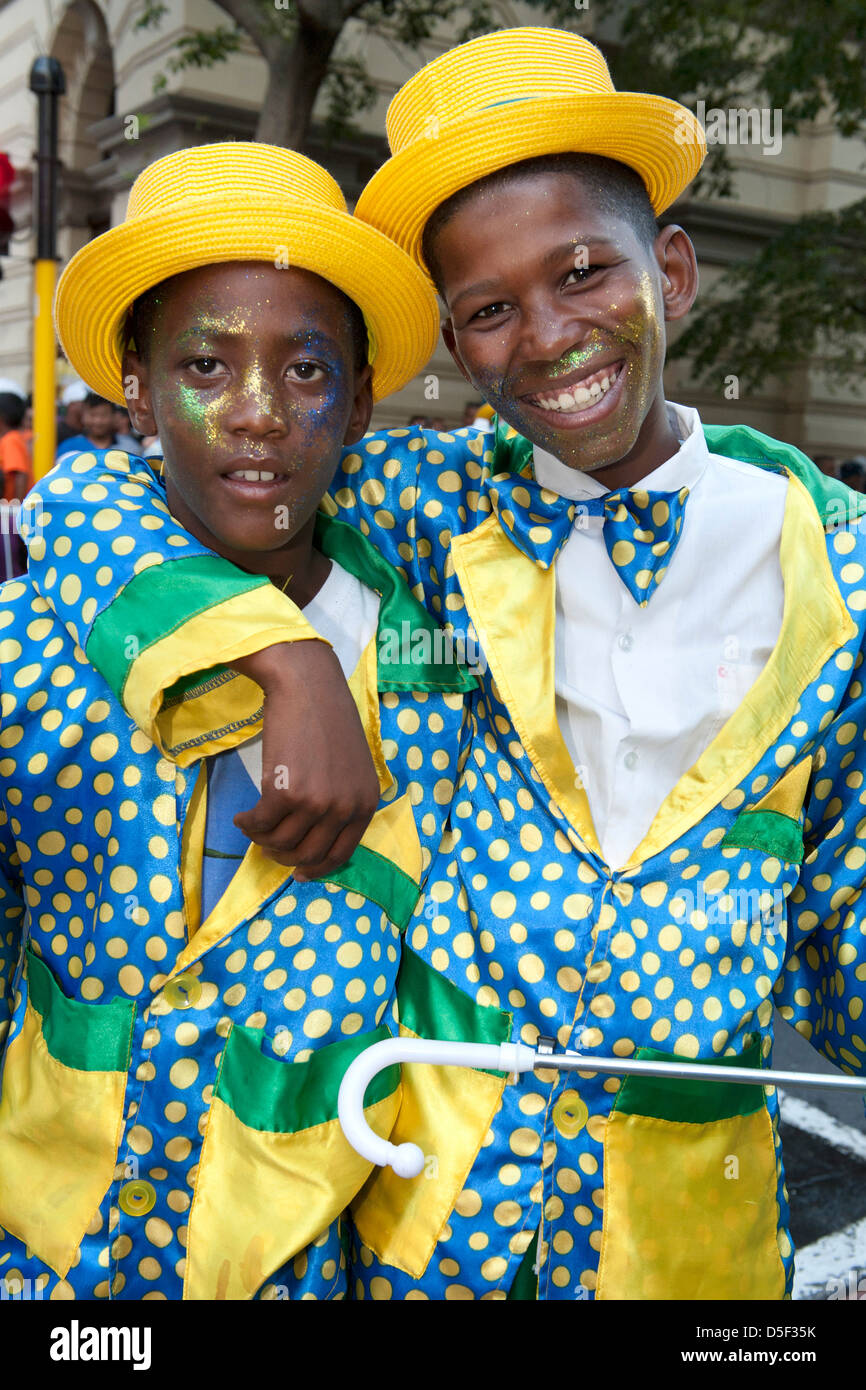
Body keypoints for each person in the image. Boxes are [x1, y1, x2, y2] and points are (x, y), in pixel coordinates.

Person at [24, 29, 866, 1301]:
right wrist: (284, 659)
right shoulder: (426, 503)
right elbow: (115, 488)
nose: (546, 337)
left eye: (584, 271)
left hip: (688, 1249)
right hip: (426, 1225)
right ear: (454, 347)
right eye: (485, 310)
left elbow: (837, 903)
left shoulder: (837, 563)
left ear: (672, 271)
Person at [0, 140, 480, 1301]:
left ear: (363, 397)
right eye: (205, 366)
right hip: (58, 1247)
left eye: (308, 372)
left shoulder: (438, 645)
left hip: (302, 1243)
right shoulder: (34, 642)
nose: (258, 415)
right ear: (135, 383)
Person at [55, 390, 117, 460]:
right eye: (92, 415)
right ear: (82, 415)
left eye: (103, 415)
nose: (97, 421)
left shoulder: (127, 446)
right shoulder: (68, 447)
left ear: (114, 416)